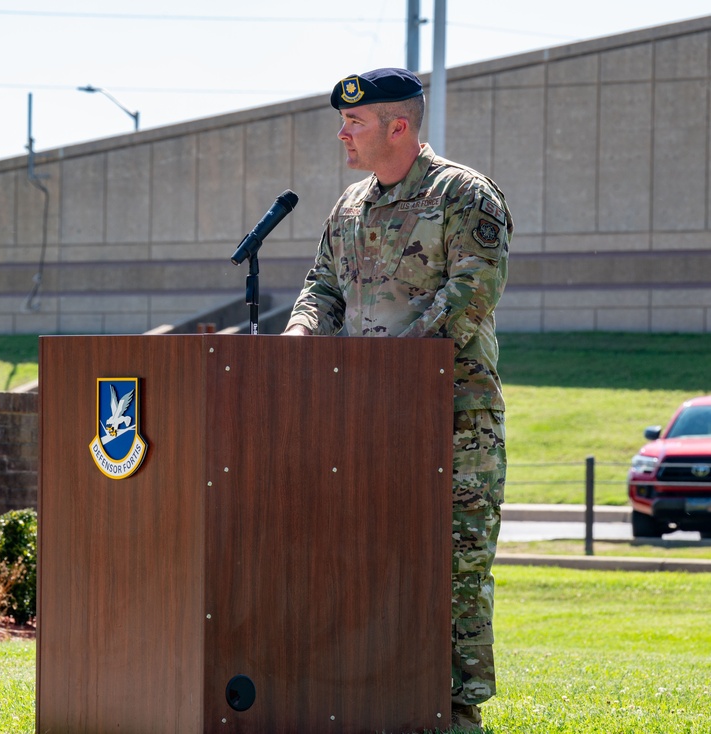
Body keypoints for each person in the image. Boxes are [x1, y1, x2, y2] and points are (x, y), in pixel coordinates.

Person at [284, 67, 511, 733]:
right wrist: (298, 337)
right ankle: (374, 702)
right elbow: (321, 286)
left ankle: (454, 714)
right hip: (363, 426)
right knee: (368, 567)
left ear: (399, 127)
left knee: (452, 571)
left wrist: (388, 371)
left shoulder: (463, 196)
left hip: (451, 422)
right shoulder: (349, 207)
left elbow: (470, 294)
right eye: (344, 122)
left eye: (354, 122)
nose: (342, 133)